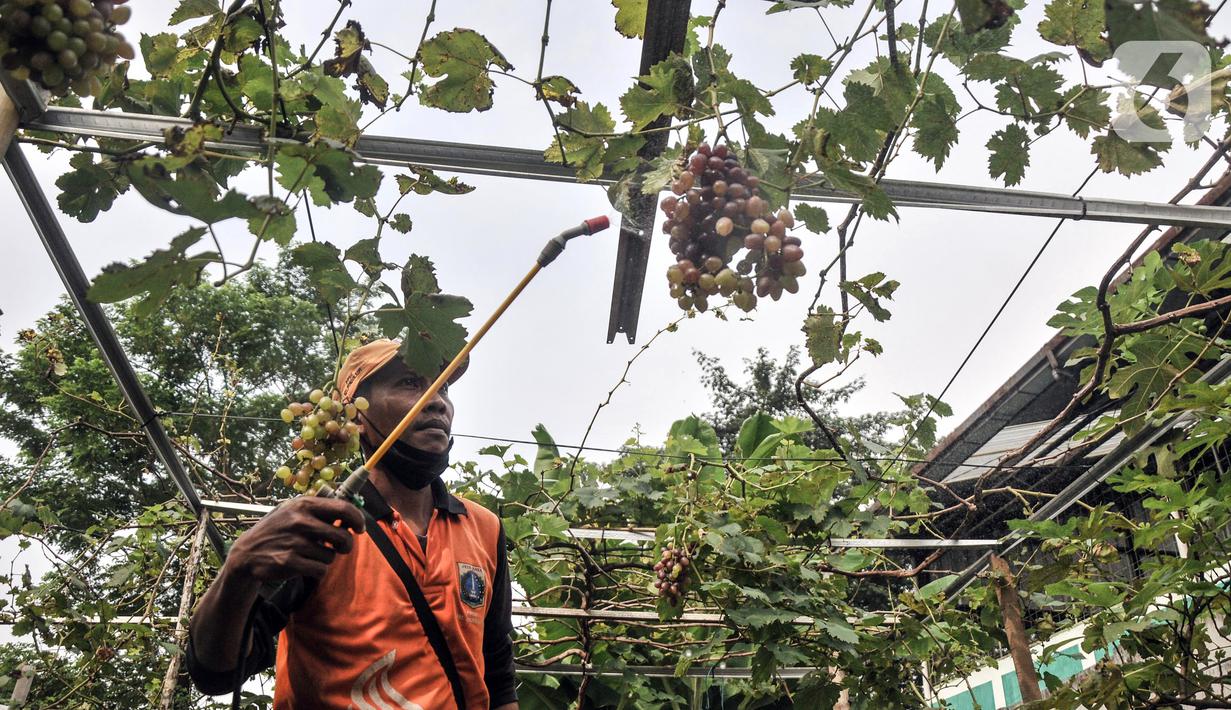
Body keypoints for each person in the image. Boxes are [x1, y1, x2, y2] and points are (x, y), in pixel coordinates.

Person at [186, 339, 519, 709]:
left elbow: (497, 670)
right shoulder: (318, 527)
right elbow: (215, 671)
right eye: (410, 383)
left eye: (442, 386)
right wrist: (237, 572)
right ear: (356, 415)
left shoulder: (484, 528)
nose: (437, 401)